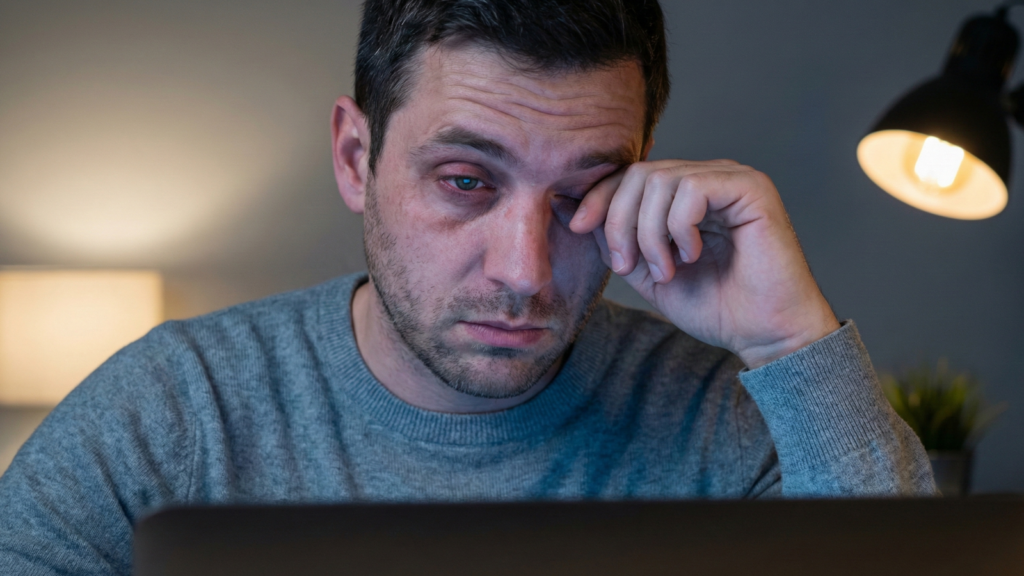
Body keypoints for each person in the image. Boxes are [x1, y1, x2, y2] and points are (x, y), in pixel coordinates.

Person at [0, 0, 936, 573]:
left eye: (579, 195)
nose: (525, 272)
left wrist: (790, 343)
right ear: (356, 156)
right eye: (465, 181)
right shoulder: (174, 410)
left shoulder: (723, 420)